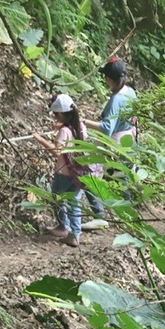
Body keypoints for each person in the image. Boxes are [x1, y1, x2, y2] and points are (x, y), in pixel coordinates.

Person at [81, 57, 138, 230]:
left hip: (115, 144)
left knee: (89, 172)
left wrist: (84, 121)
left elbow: (107, 128)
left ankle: (100, 215)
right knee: (122, 181)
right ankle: (128, 219)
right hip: (129, 141)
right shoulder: (130, 92)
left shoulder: (116, 100)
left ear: (109, 79)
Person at [32, 94, 86, 248]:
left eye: (56, 115)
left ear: (61, 114)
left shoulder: (64, 132)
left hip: (64, 173)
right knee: (74, 202)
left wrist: (40, 140)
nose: (55, 117)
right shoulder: (80, 126)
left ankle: (63, 227)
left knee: (57, 199)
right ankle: (75, 233)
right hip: (79, 173)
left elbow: (58, 152)